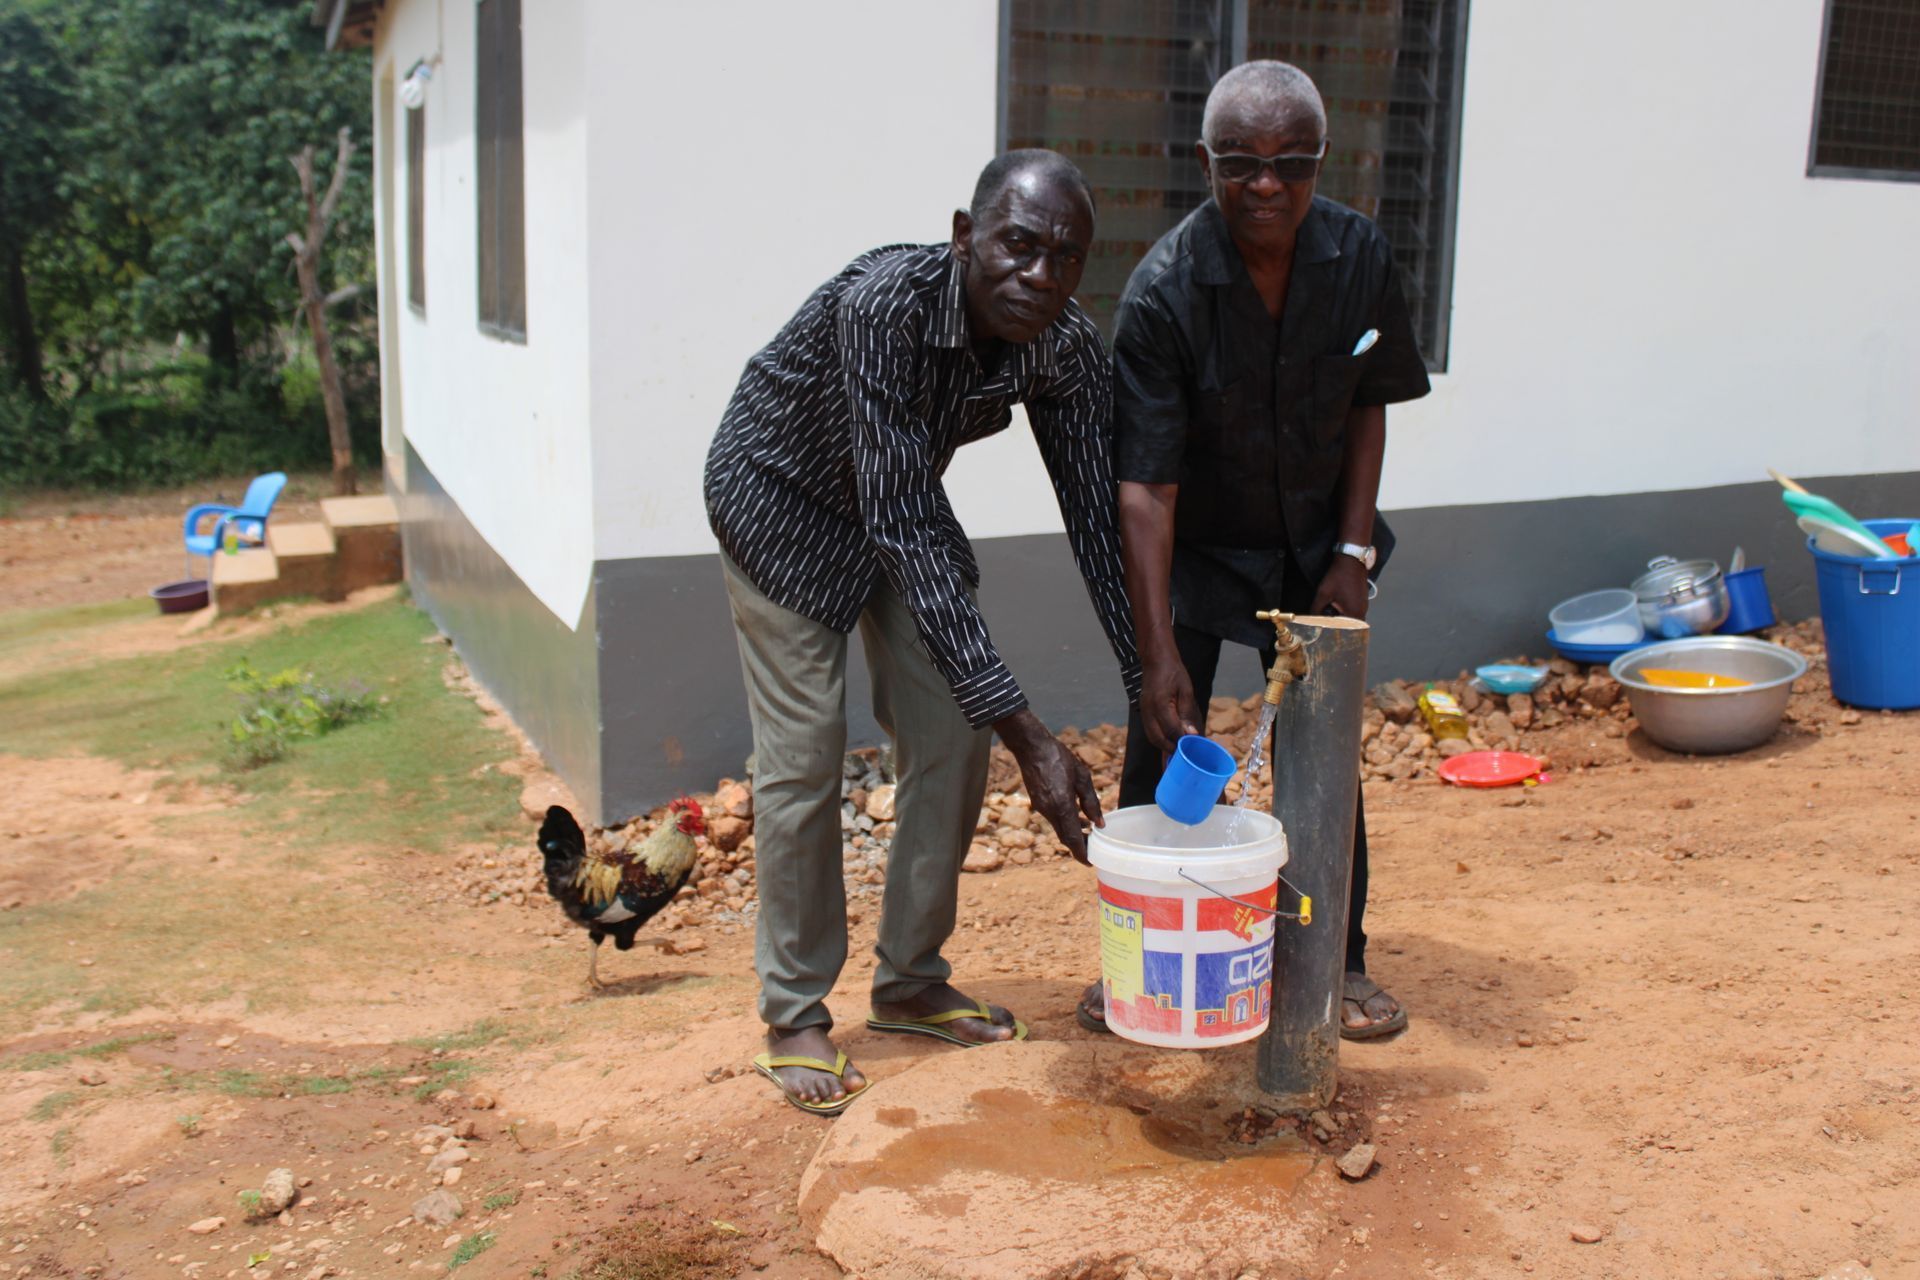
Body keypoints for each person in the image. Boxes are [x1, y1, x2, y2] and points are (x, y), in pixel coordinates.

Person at [704, 151, 1141, 1115]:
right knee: (805, 755)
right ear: (964, 235)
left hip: (893, 501)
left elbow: (1096, 520)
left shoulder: (1061, 345)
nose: (1038, 275)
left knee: (953, 724)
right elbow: (899, 520)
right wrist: (1037, 738)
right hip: (779, 500)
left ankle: (909, 980)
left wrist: (1147, 677)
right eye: (1017, 246)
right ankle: (793, 1012)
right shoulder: (885, 307)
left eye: (1064, 259)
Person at [1076, 61, 1430, 1041]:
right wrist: (1155, 652)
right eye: (1242, 163)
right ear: (1206, 162)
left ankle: (1338, 961)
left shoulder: (1358, 256)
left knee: (1324, 754)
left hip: (1319, 545)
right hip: (1199, 553)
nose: (1266, 183)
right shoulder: (1164, 293)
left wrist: (1353, 550)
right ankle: (1135, 962)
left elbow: (1369, 404)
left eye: (1291, 163)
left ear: (1323, 162)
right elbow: (1146, 487)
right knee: (1163, 739)